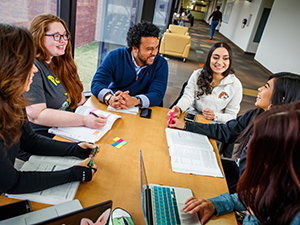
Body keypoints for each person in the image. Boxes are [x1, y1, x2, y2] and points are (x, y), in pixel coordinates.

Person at [0, 23, 98, 194]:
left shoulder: (12, 100)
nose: (33, 70)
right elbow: (12, 184)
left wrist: (75, 149)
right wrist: (72, 174)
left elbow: (30, 141)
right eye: (27, 63)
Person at [169, 72, 300, 193]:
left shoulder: (280, 136)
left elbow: (259, 188)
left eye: (266, 87)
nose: (260, 88)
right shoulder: (256, 115)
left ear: (281, 99)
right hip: (239, 173)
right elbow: (226, 131)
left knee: (198, 187)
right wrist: (187, 126)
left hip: (248, 189)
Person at [183, 102, 300, 225]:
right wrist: (216, 203)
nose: (249, 150)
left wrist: (253, 214)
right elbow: (255, 195)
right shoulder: (285, 181)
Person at [25, 14, 106, 138]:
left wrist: (91, 117)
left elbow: (80, 100)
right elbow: (37, 115)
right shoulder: (33, 68)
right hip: (43, 137)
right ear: (39, 37)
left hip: (70, 129)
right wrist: (83, 120)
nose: (63, 40)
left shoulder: (62, 62)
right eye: (56, 36)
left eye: (64, 35)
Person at [91, 22, 168, 110]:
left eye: (156, 47)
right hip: (115, 106)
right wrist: (109, 98)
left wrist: (135, 101)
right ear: (135, 48)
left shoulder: (161, 64)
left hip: (142, 111)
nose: (154, 53)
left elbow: (157, 95)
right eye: (149, 49)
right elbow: (97, 83)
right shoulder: (115, 56)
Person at [168, 42, 242, 123]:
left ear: (230, 61)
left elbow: (231, 115)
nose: (220, 62)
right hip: (193, 116)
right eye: (216, 57)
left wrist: (215, 115)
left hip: (215, 123)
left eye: (225, 58)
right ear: (209, 59)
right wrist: (179, 108)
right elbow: (188, 96)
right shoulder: (197, 74)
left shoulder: (235, 85)